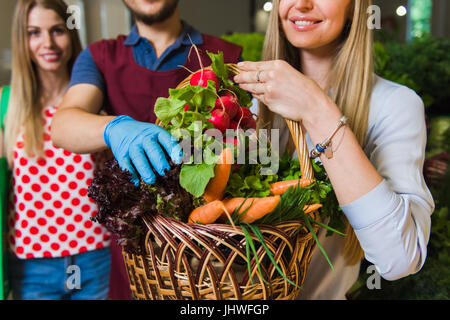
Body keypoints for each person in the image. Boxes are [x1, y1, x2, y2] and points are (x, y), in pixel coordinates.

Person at [234, 0, 434, 299]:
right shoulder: (245, 103)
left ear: (355, 7)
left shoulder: (394, 105)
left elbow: (400, 259)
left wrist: (317, 110)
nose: (301, 4)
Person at [51, 0, 242, 299]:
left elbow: (248, 148)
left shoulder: (226, 56)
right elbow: (63, 125)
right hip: (132, 253)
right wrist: (114, 127)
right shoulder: (100, 56)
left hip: (206, 257)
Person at [1, 0, 111, 300]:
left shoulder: (95, 100)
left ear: (71, 33)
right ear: (21, 40)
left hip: (95, 255)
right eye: (34, 32)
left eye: (57, 30)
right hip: (31, 264)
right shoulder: (5, 105)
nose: (47, 43)